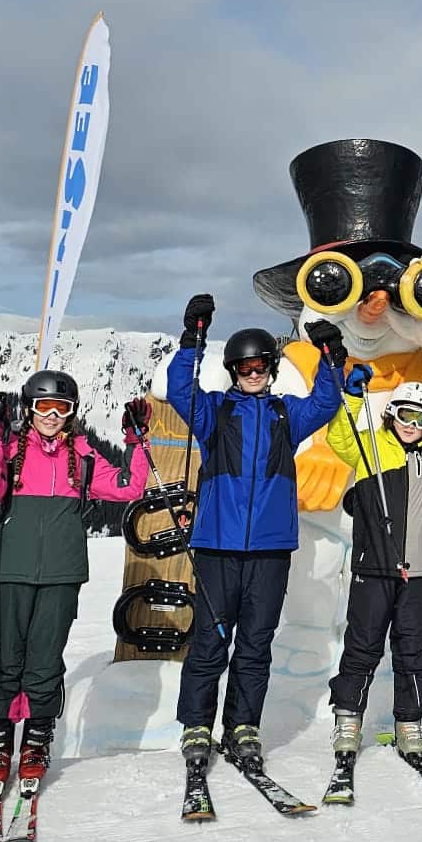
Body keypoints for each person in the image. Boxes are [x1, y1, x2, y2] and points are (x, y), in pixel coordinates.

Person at [165, 294, 345, 776]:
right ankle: (197, 724)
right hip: (217, 547)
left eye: (261, 366)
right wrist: (193, 341)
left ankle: (243, 724)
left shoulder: (287, 416)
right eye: (244, 368)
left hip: (270, 551)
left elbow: (328, 401)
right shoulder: (215, 413)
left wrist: (331, 355)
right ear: (232, 371)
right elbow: (180, 389)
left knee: (255, 644)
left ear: (270, 368)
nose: (253, 374)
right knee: (209, 641)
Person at [0, 369, 151, 791]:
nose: (52, 416)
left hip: (62, 571)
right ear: (30, 409)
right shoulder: (14, 448)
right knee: (7, 658)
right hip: (12, 568)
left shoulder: (85, 456)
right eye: (43, 407)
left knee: (46, 658)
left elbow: (130, 487)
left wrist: (135, 441)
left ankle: (36, 739)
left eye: (61, 408)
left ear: (71, 413)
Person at [323, 376, 422, 761]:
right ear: (392, 413)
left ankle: (409, 722)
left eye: (421, 418)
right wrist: (353, 397)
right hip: (373, 566)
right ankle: (348, 718)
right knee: (362, 645)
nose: (411, 425)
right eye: (405, 414)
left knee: (413, 648)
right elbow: (339, 438)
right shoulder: (371, 444)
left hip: (421, 570)